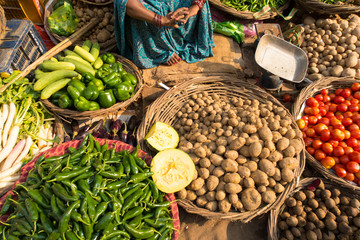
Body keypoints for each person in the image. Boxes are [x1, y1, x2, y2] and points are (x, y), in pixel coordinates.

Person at [114, 0, 215, 68]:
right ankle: (158, 50)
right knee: (124, 3)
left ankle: (182, 40)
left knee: (200, 4)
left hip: (176, 4)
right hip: (149, 7)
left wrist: (195, 6)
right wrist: (161, 20)